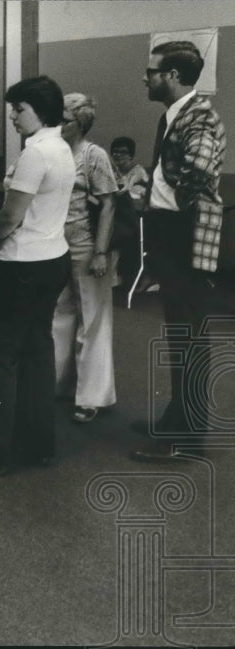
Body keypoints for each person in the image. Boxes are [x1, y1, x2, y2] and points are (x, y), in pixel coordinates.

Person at [0, 76, 74, 475]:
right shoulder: (61, 148)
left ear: (41, 110)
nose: (12, 117)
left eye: (19, 109)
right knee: (38, 351)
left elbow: (10, 216)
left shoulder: (35, 155)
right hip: (54, 260)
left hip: (23, 265)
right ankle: (37, 444)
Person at [130, 41, 229, 463]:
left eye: (152, 72)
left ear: (172, 76)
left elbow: (198, 172)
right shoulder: (179, 115)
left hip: (182, 234)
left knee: (187, 337)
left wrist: (162, 203)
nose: (145, 77)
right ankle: (176, 421)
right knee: (181, 334)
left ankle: (186, 440)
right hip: (175, 233)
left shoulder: (199, 117)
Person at [52, 93, 118, 424]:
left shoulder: (94, 156)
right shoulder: (53, 152)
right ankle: (59, 385)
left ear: (80, 123)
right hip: (54, 248)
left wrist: (101, 252)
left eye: (63, 119)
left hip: (87, 247)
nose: (57, 124)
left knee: (92, 322)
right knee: (59, 316)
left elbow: (108, 204)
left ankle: (91, 397)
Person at [110, 136, 152, 290]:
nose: (118, 155)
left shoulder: (138, 173)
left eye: (123, 152)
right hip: (119, 217)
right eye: (114, 152)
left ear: (131, 155)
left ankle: (120, 277)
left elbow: (141, 199)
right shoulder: (111, 172)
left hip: (138, 220)